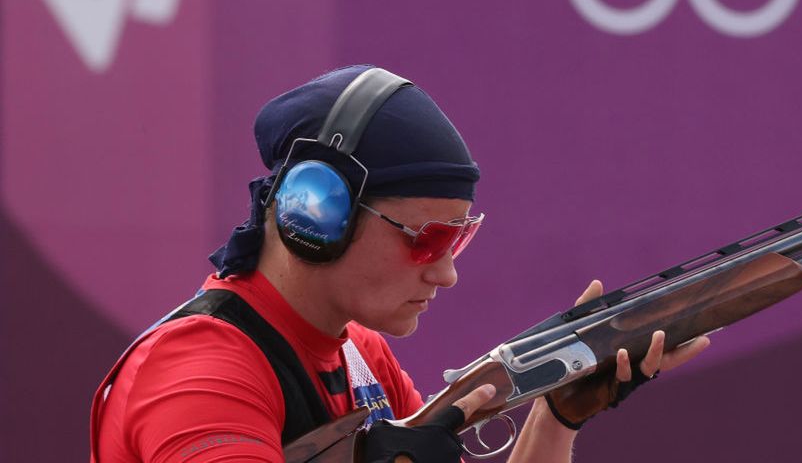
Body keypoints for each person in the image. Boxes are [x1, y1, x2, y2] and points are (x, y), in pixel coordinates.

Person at [89, 65, 711, 462]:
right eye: (425, 239)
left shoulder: (360, 353)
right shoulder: (197, 372)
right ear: (318, 214)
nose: (446, 273)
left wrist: (555, 416)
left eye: (457, 240)